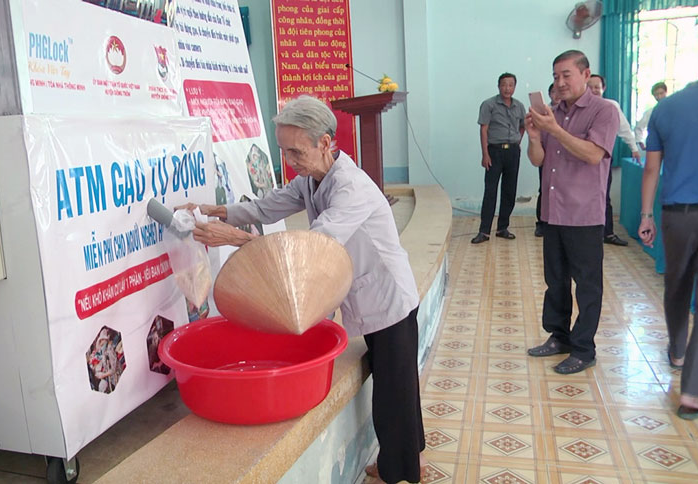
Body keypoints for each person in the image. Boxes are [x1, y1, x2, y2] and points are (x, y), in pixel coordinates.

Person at [181, 96, 426, 483]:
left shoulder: (350, 189)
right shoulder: (314, 179)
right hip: (371, 295)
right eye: (284, 152)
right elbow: (267, 207)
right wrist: (220, 212)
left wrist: (234, 239)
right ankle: (410, 458)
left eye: (296, 151)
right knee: (398, 384)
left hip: (388, 296)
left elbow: (308, 251)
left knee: (394, 393)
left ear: (325, 142)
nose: (290, 160)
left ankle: (401, 473)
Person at [637, 20, 698, 420]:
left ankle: (676, 352)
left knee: (676, 287)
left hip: (675, 216)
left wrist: (645, 215)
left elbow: (651, 170)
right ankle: (692, 393)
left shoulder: (667, 106)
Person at [525, 50, 619, 374]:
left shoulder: (604, 111)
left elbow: (593, 154)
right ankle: (559, 336)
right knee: (556, 280)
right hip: (553, 212)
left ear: (584, 74)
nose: (560, 82)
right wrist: (536, 136)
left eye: (566, 75)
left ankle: (583, 349)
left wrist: (557, 130)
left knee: (587, 284)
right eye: (555, 76)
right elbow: (537, 160)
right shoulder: (552, 113)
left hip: (583, 214)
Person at [472, 73, 526, 244]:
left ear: (515, 87)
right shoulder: (489, 105)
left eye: (511, 85)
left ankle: (503, 227)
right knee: (490, 191)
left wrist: (518, 141)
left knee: (510, 191)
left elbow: (523, 127)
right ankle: (484, 231)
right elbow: (483, 130)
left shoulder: (519, 106)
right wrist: (485, 154)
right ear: (498, 86)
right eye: (504, 85)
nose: (507, 88)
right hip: (494, 152)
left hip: (513, 152)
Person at [587, 74, 638, 247]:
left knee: (603, 196)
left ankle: (607, 233)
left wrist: (634, 148)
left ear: (603, 89)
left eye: (597, 87)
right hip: (582, 159)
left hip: (603, 158)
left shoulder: (611, 106)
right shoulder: (580, 107)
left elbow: (624, 129)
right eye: (590, 86)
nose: (594, 90)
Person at [535, 83, 561, 237]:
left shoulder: (568, 113)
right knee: (544, 189)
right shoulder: (544, 112)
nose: (557, 95)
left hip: (563, 158)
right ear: (549, 94)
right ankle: (541, 223)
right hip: (546, 156)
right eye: (553, 92)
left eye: (559, 92)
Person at [635, 81, 668, 150]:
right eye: (656, 95)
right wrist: (641, 142)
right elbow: (638, 128)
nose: (659, 96)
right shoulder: (650, 112)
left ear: (666, 92)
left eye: (661, 93)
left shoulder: (675, 110)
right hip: (655, 147)